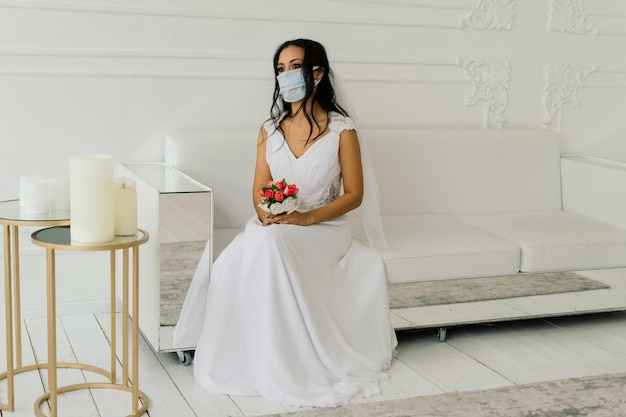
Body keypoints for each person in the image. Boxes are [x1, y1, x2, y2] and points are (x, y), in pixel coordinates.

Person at [173, 38, 397, 407]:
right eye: (280, 69)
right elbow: (259, 186)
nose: (286, 75)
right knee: (252, 248)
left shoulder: (343, 130)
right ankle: (257, 359)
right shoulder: (269, 128)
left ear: (318, 73)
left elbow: (353, 195)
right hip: (274, 226)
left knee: (267, 245)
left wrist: (305, 217)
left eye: (295, 66)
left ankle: (292, 364)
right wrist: (266, 213)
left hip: (323, 229)